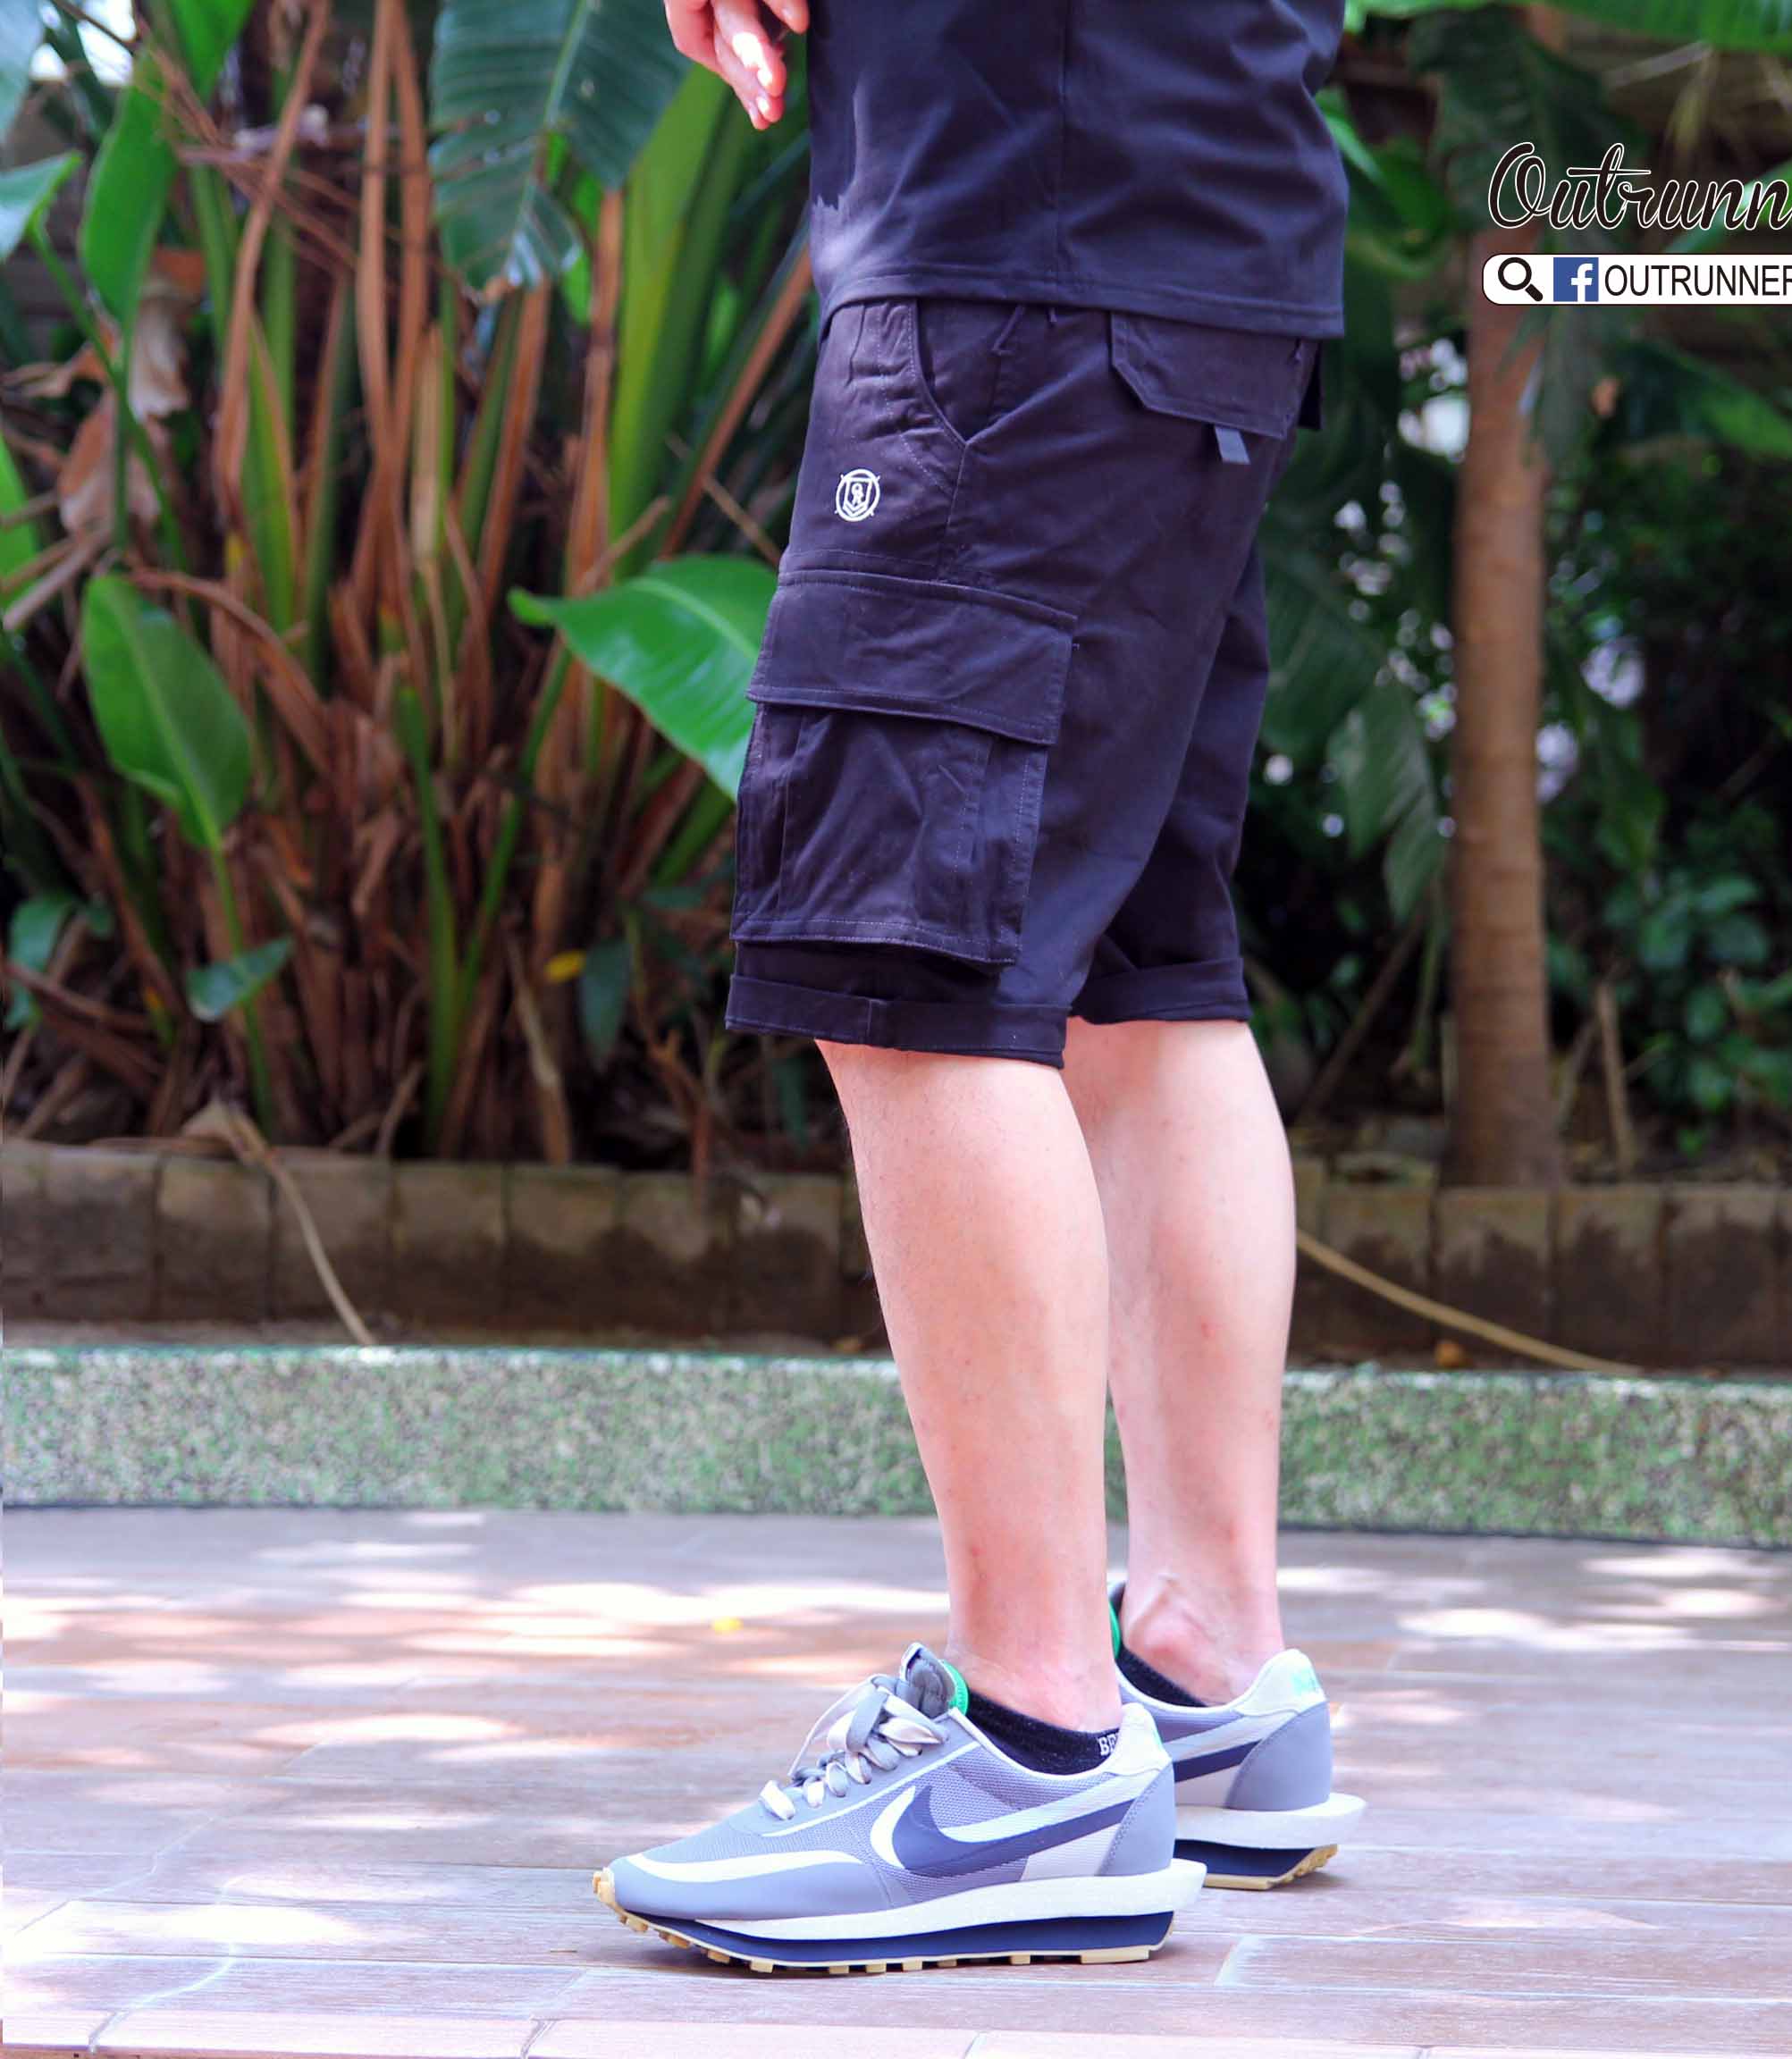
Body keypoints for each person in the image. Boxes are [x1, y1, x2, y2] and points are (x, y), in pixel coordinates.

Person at [594, 0, 1366, 1973]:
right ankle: (1203, 1666)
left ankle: (1033, 1751)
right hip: (1187, 230)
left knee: (913, 965)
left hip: (1026, 240)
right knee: (1137, 979)